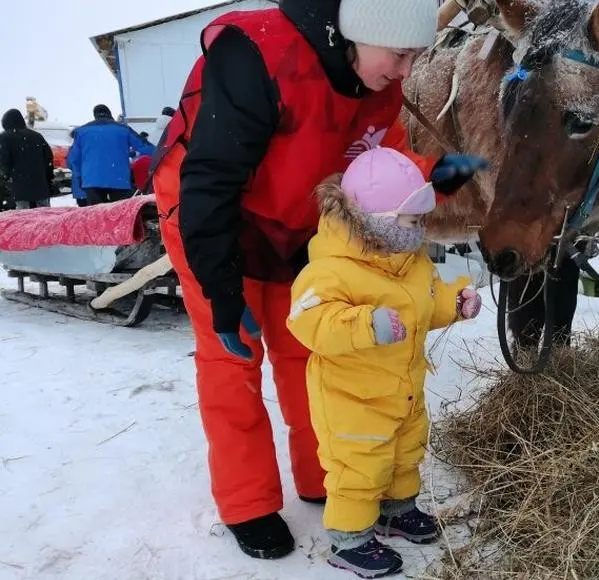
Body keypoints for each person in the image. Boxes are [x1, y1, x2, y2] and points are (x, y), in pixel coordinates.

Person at [149, 0, 487, 561]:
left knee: (309, 349)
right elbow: (207, 183)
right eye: (401, 56)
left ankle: (325, 476)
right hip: (208, 217)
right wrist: (224, 294)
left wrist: (439, 175)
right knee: (233, 359)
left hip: (297, 223)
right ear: (362, 32)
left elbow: (381, 162)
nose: (406, 71)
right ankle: (247, 502)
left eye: (414, 58)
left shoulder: (376, 75)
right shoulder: (257, 56)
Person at [287, 146, 482, 578]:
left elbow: (425, 305)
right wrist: (363, 324)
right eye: (411, 222)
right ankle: (349, 539)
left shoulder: (410, 264)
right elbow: (307, 319)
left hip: (403, 390)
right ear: (378, 223)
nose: (420, 231)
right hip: (352, 399)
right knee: (360, 464)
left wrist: (455, 302)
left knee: (405, 452)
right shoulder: (331, 270)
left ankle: (398, 511)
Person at [67, 104, 155, 205]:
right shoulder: (123, 129)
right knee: (120, 216)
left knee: (97, 217)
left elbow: (72, 160)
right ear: (110, 115)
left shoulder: (81, 132)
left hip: (92, 183)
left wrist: (79, 180)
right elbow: (147, 148)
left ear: (95, 115)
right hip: (119, 181)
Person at [0, 109, 54, 210]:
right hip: (40, 186)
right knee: (45, 217)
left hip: (19, 187)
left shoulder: (4, 137)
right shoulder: (37, 136)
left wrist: (6, 178)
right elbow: (48, 159)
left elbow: (3, 162)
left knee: (24, 219)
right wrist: (48, 178)